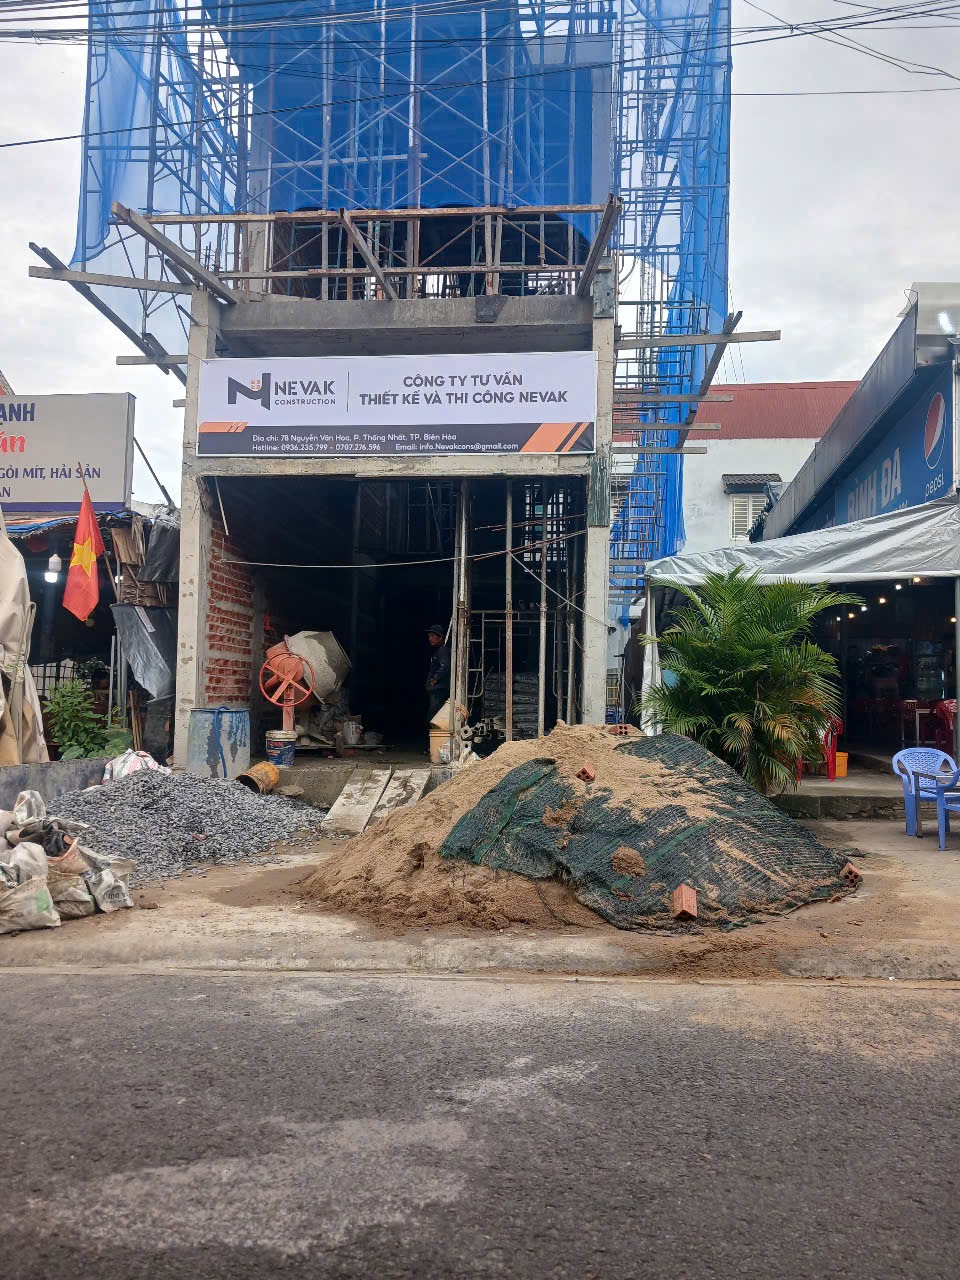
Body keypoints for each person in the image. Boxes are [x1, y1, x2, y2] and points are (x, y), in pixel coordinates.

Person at [425, 624, 451, 721]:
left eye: (432, 636)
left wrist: (434, 679)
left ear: (440, 638)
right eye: (429, 636)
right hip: (437, 691)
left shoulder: (442, 650)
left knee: (434, 717)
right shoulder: (437, 652)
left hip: (439, 691)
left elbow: (445, 666)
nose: (430, 639)